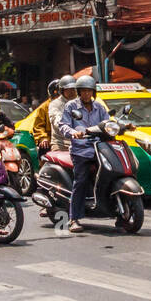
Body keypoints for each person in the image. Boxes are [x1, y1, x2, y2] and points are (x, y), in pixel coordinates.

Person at [56, 75, 109, 233]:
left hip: (100, 148)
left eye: (89, 91)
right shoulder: (71, 106)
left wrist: (123, 125)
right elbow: (63, 125)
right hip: (81, 150)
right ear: (79, 92)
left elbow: (107, 122)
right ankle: (74, 218)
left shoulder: (99, 107)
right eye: (83, 91)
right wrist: (74, 133)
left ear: (93, 92)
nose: (86, 94)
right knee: (81, 181)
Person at [26, 80, 60, 153]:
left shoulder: (70, 105)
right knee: (44, 150)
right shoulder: (44, 107)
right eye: (57, 95)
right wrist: (43, 138)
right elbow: (38, 126)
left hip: (67, 140)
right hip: (51, 140)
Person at [49, 75, 78, 154]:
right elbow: (57, 121)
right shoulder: (55, 104)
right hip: (61, 145)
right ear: (62, 91)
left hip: (80, 143)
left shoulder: (80, 103)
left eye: (73, 89)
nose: (72, 92)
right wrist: (70, 131)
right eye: (68, 90)